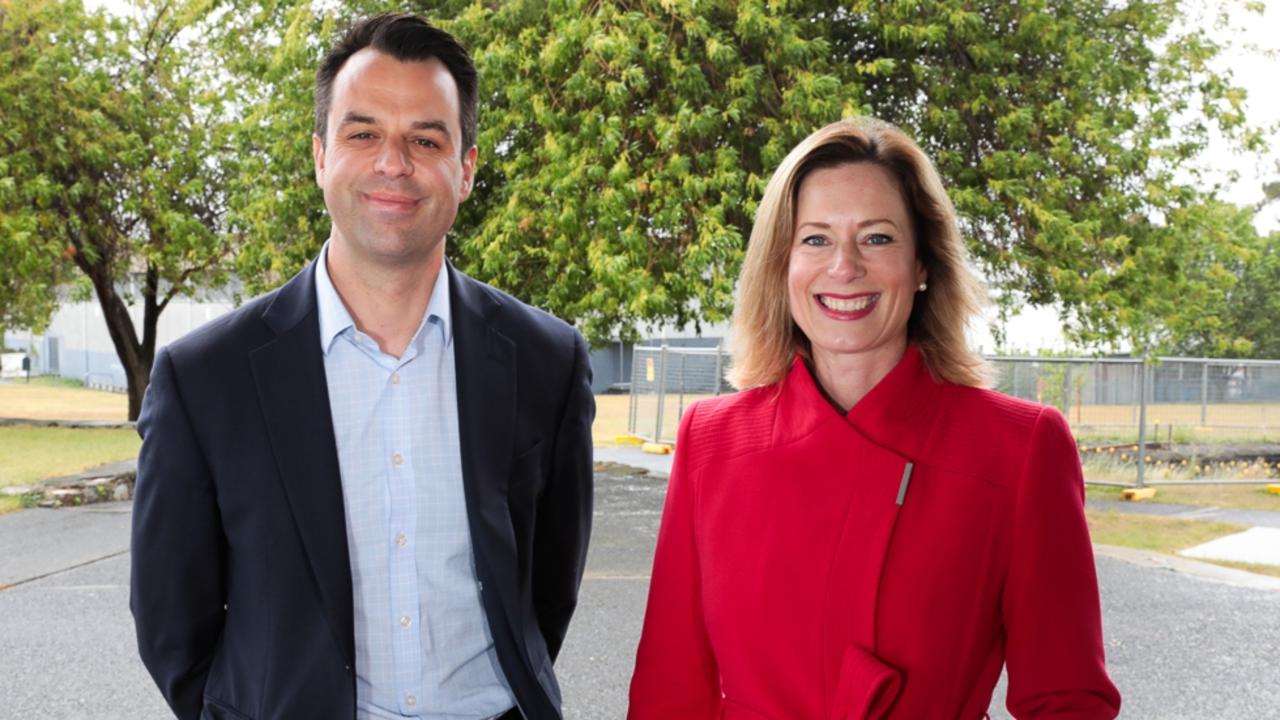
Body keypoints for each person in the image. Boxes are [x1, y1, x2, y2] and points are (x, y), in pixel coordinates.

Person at [131, 14, 594, 720]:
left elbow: (546, 596)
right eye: (363, 133)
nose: (392, 163)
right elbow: (172, 624)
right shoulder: (204, 380)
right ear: (320, 154)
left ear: (465, 170)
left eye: (426, 139)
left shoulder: (548, 361)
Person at [628, 118, 1120, 719]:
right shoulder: (711, 439)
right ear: (780, 267)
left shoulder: (1017, 447)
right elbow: (669, 689)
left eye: (877, 238)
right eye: (815, 239)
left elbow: (1067, 698)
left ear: (923, 266)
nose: (844, 267)